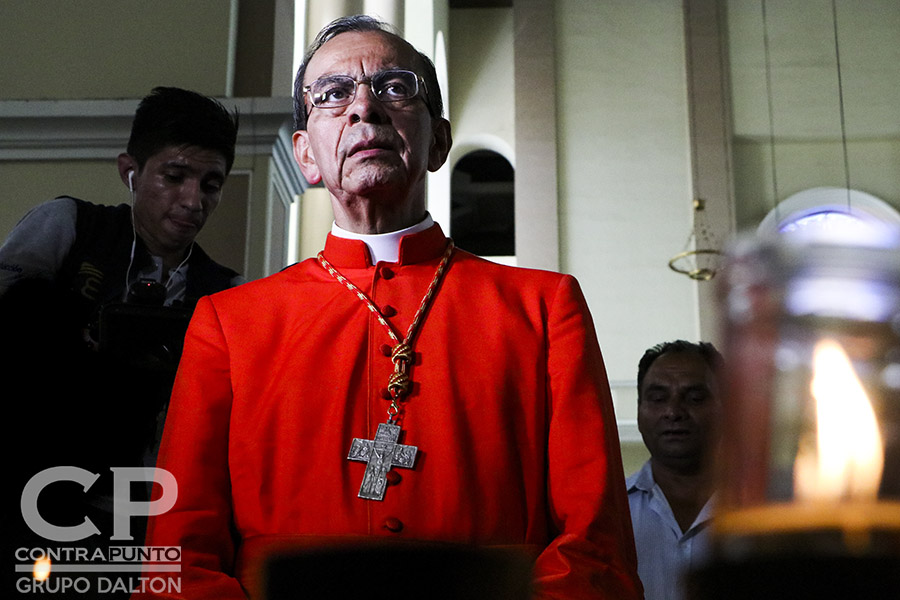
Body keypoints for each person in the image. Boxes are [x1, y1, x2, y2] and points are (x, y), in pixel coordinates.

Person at [136, 16, 642, 600]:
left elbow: (595, 543)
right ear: (304, 154)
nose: (365, 109)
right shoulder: (228, 323)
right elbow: (179, 559)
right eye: (332, 95)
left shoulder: (543, 307)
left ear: (439, 141)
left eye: (396, 88)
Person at [1, 87, 242, 597]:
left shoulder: (226, 294)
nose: (193, 201)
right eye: (174, 176)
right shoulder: (68, 226)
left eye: (211, 183)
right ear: (130, 170)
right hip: (36, 495)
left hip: (149, 515)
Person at [626, 340, 724, 600]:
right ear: (639, 411)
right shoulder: (610, 514)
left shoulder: (765, 513)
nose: (673, 411)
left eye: (694, 398)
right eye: (658, 398)